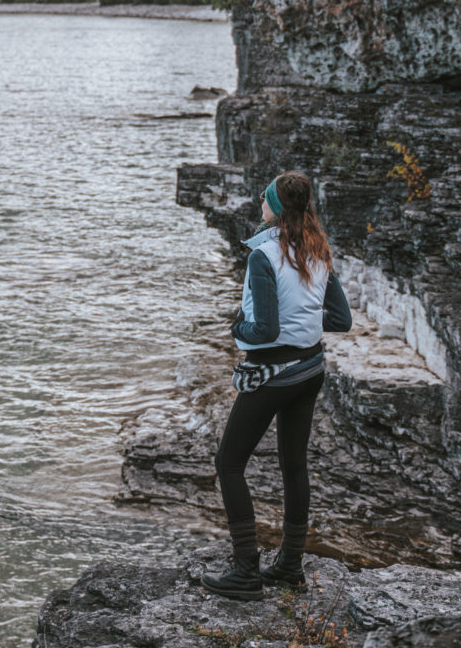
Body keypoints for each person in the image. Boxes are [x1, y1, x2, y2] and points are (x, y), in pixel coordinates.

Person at [201, 170, 352, 601]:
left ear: (276, 208)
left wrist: (237, 327)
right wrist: (301, 323)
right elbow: (341, 320)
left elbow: (262, 330)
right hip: (310, 370)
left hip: (273, 374)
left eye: (264, 197)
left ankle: (246, 571)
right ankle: (288, 566)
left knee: (229, 463)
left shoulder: (263, 255)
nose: (259, 201)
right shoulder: (318, 249)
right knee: (294, 465)